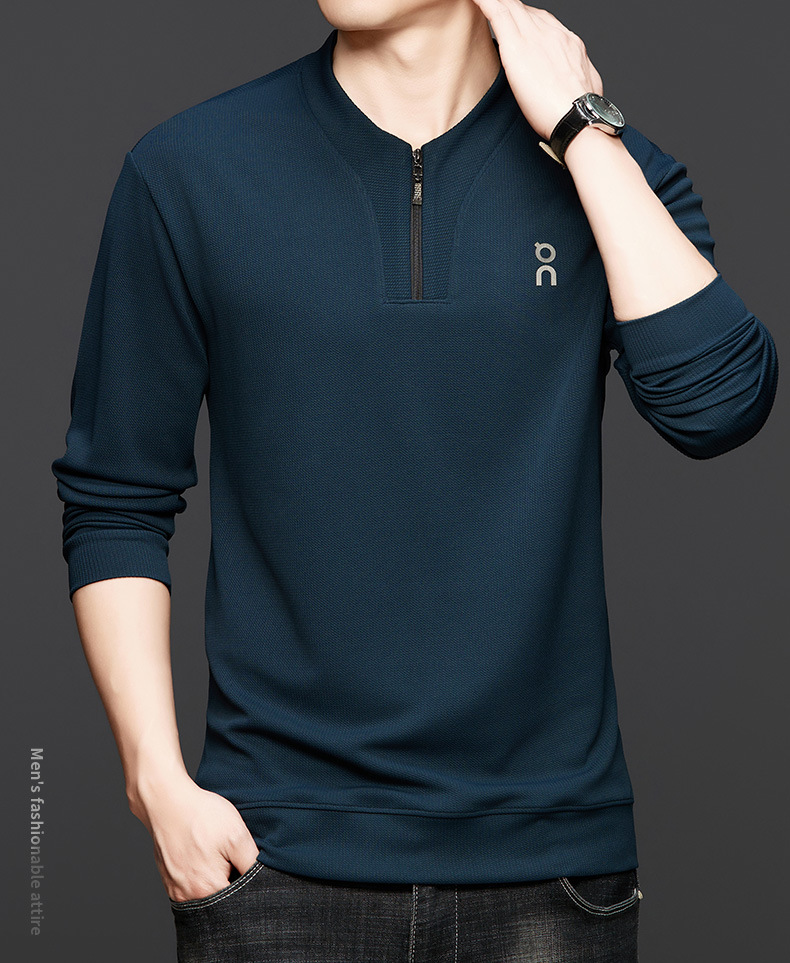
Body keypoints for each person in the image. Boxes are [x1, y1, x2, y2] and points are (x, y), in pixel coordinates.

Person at [50, 1, 778, 961]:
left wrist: (582, 133)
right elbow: (115, 496)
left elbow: (719, 404)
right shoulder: (188, 168)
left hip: (551, 867)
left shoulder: (607, 169)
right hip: (273, 861)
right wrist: (157, 784)